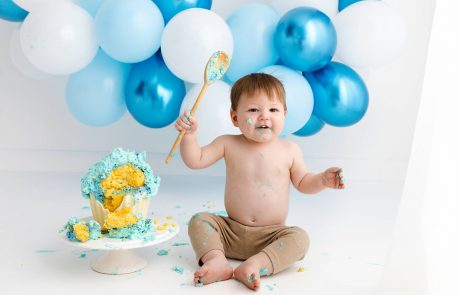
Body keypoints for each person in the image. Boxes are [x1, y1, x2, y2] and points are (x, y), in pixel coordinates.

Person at [175, 73, 344, 291]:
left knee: (300, 238)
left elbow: (303, 182)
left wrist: (322, 180)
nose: (264, 117)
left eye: (273, 110)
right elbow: (195, 160)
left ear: (284, 114)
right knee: (200, 220)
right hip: (230, 231)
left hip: (271, 236)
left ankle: (256, 264)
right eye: (254, 110)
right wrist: (189, 136)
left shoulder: (289, 150)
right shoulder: (228, 143)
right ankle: (216, 260)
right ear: (235, 118)